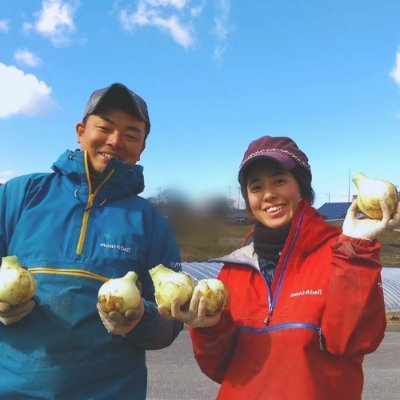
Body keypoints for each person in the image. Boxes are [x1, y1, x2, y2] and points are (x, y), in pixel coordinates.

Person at [160, 135, 400, 399]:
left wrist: (358, 248)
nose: (268, 194)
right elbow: (220, 368)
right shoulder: (233, 270)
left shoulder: (344, 254)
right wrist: (209, 328)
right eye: (256, 187)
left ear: (303, 189)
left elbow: (352, 342)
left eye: (279, 181)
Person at [0, 83, 182, 399]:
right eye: (105, 128)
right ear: (81, 131)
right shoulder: (20, 195)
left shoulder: (151, 222)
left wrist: (140, 321)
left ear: (141, 148)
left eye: (130, 135)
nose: (115, 141)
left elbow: (172, 320)